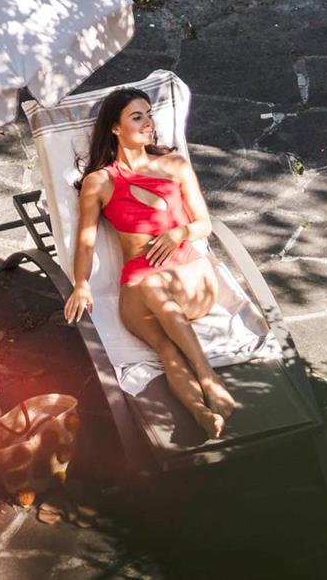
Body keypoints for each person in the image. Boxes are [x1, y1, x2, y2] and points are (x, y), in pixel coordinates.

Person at [64, 87, 235, 439]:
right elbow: (86, 239)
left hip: (190, 276)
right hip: (138, 281)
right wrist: (81, 283)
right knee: (165, 349)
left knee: (154, 287)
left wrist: (178, 233)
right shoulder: (100, 181)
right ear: (115, 128)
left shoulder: (174, 165)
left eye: (149, 114)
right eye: (137, 117)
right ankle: (201, 411)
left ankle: (208, 377)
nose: (148, 123)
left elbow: (204, 223)